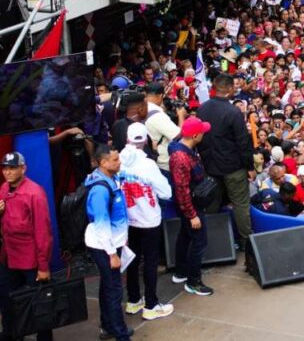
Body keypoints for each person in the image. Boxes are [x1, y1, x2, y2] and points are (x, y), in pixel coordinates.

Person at [121, 123, 174, 321]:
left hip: (128, 220)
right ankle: (151, 304)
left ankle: (134, 300)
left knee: (132, 260)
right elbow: (166, 192)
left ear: (127, 139)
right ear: (145, 140)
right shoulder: (148, 165)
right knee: (150, 262)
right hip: (149, 220)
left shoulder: (118, 160)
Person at [0, 152, 54, 341]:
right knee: (7, 302)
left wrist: (43, 266)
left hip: (30, 260)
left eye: (12, 168)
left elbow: (43, 232)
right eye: (5, 168)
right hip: (8, 257)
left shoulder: (35, 193)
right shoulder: (3, 189)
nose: (8, 172)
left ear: (23, 168)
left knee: (40, 305)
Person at [197, 75, 254, 251]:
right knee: (241, 204)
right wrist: (250, 167)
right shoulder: (233, 112)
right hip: (233, 167)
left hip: (210, 166)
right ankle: (247, 243)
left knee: (211, 204)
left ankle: (209, 241)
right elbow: (243, 142)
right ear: (229, 89)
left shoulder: (202, 109)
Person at [84, 145, 133, 341]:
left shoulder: (109, 179)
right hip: (104, 246)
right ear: (103, 163)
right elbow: (101, 224)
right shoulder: (100, 190)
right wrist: (112, 254)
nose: (119, 162)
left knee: (108, 286)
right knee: (114, 290)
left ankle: (108, 326)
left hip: (112, 242)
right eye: (115, 160)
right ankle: (120, 334)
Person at [169, 117, 214, 296]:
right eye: (202, 132)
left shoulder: (186, 150)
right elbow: (182, 189)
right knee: (199, 241)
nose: (203, 134)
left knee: (185, 236)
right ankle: (193, 282)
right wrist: (191, 214)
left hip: (190, 204)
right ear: (195, 135)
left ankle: (181, 271)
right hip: (190, 206)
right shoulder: (181, 157)